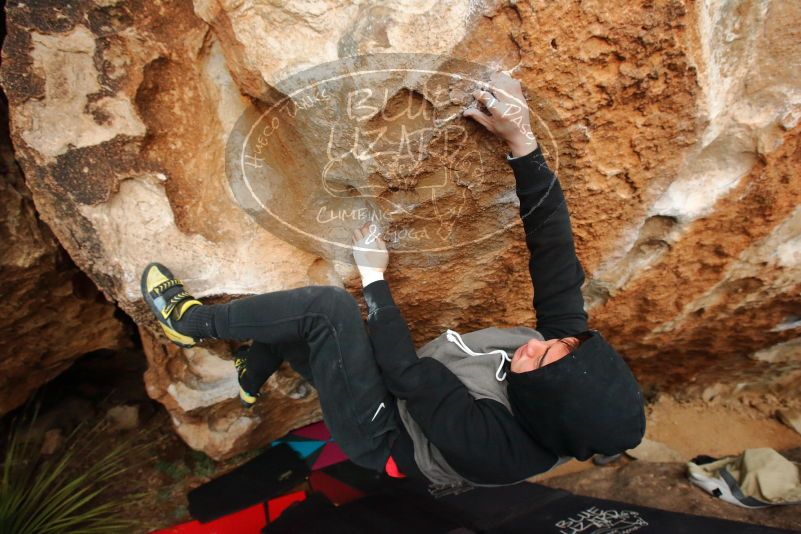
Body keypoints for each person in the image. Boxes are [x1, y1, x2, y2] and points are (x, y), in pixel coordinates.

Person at [140, 72, 645, 495]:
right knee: (307, 330)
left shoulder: (500, 451)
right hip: (415, 391)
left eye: (539, 361)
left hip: (386, 432)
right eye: (557, 343)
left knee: (325, 310)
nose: (536, 345)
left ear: (544, 404)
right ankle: (255, 364)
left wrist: (374, 274)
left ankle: (190, 322)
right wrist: (523, 143)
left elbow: (406, 375)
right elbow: (554, 254)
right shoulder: (561, 356)